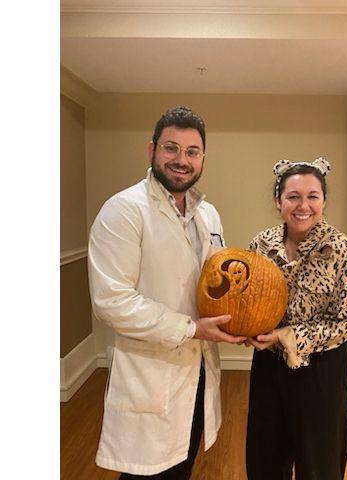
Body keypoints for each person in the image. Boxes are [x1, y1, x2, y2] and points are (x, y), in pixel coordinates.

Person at [88, 106, 246, 479]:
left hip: (198, 373)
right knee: (149, 473)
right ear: (152, 150)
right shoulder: (124, 211)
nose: (181, 160)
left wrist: (242, 322)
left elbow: (219, 282)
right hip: (151, 376)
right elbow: (113, 302)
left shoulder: (208, 214)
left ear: (203, 158)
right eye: (171, 148)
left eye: (192, 152)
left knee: (184, 465)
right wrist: (193, 329)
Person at [245, 158, 347, 480]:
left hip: (322, 369)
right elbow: (248, 299)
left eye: (313, 196)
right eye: (293, 196)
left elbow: (344, 322)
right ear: (278, 200)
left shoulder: (340, 250)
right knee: (265, 453)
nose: (303, 205)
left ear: (324, 201)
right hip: (270, 366)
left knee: (319, 461)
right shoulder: (261, 244)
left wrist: (287, 336)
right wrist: (247, 329)